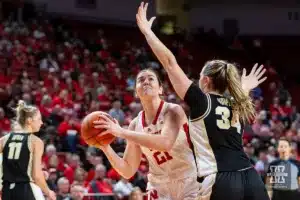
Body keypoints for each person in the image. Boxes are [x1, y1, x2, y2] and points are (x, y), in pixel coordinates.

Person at [135, 2, 270, 200]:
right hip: (251, 178)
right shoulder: (237, 103)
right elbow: (237, 95)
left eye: (199, 77)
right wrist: (246, 86)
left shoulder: (201, 101)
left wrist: (148, 33)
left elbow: (170, 63)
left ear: (205, 80)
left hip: (221, 179)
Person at [93, 68, 200, 200]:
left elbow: (165, 142)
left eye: (151, 78)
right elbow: (127, 170)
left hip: (189, 179)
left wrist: (122, 132)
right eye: (141, 80)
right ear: (136, 93)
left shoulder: (173, 111)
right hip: (159, 185)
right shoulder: (134, 125)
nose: (146, 81)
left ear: (160, 89)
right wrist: (105, 147)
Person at [0, 100, 56, 200]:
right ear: (29, 120)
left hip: (7, 191)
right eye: (39, 119)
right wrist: (48, 192)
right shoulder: (35, 142)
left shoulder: (4, 140)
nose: (41, 122)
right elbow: (36, 175)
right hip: (25, 189)